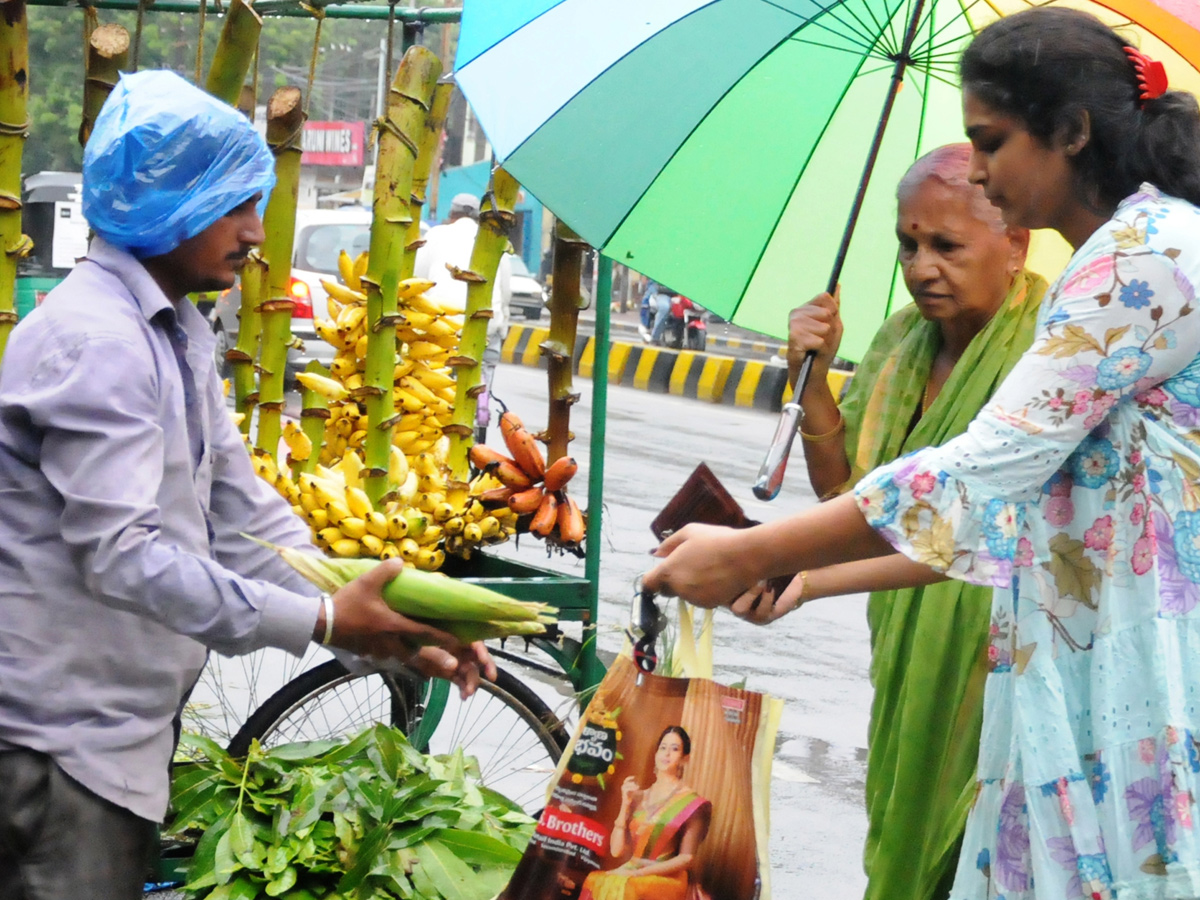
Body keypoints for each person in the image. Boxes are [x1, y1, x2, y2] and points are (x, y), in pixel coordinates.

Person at [645, 8, 1200, 898]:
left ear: (1071, 132)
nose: (978, 169)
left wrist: (750, 552)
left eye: (992, 140)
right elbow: (981, 508)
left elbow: (977, 477)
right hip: (1076, 662)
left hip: (1134, 676)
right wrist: (802, 571)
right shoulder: (1101, 263)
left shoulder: (1146, 258)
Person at [0, 71, 494, 899]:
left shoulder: (175, 330)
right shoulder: (100, 343)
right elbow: (122, 558)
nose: (257, 233)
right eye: (234, 206)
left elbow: (240, 511)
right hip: (55, 750)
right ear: (168, 205)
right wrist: (327, 617)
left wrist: (395, 620)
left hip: (113, 740)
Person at [739, 143, 1045, 900]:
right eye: (908, 244)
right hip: (905, 638)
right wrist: (810, 377)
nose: (920, 265)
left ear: (1015, 242)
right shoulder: (901, 341)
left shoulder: (1045, 353)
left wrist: (806, 579)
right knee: (903, 829)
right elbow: (848, 497)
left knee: (974, 853)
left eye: (946, 245)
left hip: (1005, 653)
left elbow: (984, 535)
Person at [414, 192, 513, 441]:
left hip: (440, 327)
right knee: (484, 370)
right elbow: (505, 290)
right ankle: (480, 408)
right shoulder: (493, 238)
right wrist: (502, 325)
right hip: (485, 326)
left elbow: (418, 278)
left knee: (434, 385)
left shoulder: (436, 235)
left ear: (451, 215)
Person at [580, 726, 712, 900]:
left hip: (667, 877)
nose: (667, 754)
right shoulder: (639, 796)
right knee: (594, 880)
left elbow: (686, 858)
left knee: (629, 888)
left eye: (674, 749)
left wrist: (639, 873)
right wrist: (625, 804)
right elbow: (616, 851)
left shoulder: (693, 804)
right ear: (656, 753)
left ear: (684, 759)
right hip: (633, 869)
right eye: (663, 748)